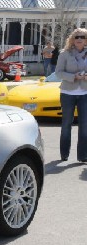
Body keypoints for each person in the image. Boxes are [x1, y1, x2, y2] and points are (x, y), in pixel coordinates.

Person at [55, 28, 87, 162]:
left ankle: (83, 156)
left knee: (85, 126)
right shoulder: (64, 54)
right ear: (72, 39)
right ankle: (64, 154)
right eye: (76, 37)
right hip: (67, 93)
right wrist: (73, 76)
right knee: (67, 124)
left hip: (85, 93)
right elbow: (58, 72)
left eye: (82, 37)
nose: (79, 39)